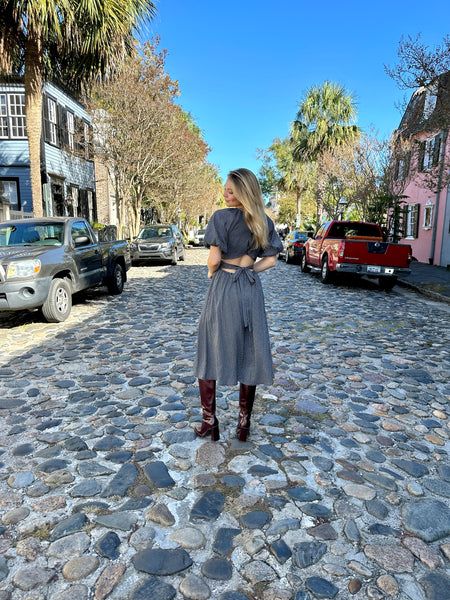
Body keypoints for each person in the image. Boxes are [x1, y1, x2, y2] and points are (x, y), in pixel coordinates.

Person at [193, 168, 283, 442]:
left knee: (209, 347)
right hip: (250, 289)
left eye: (230, 190)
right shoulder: (262, 221)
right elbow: (271, 260)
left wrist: (212, 273)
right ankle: (244, 425)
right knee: (250, 350)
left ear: (244, 192)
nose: (225, 194)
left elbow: (213, 259)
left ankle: (210, 421)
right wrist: (250, 271)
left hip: (225, 285)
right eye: (225, 189)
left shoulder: (221, 218)